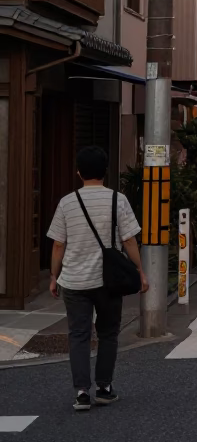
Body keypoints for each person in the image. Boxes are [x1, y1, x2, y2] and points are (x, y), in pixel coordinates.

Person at [47, 146, 148, 412]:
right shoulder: (118, 199)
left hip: (74, 281)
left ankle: (82, 392)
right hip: (109, 281)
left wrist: (53, 276)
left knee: (78, 335)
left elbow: (58, 245)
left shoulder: (67, 202)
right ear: (106, 171)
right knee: (108, 334)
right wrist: (139, 271)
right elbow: (129, 239)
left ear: (78, 172)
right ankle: (104, 388)